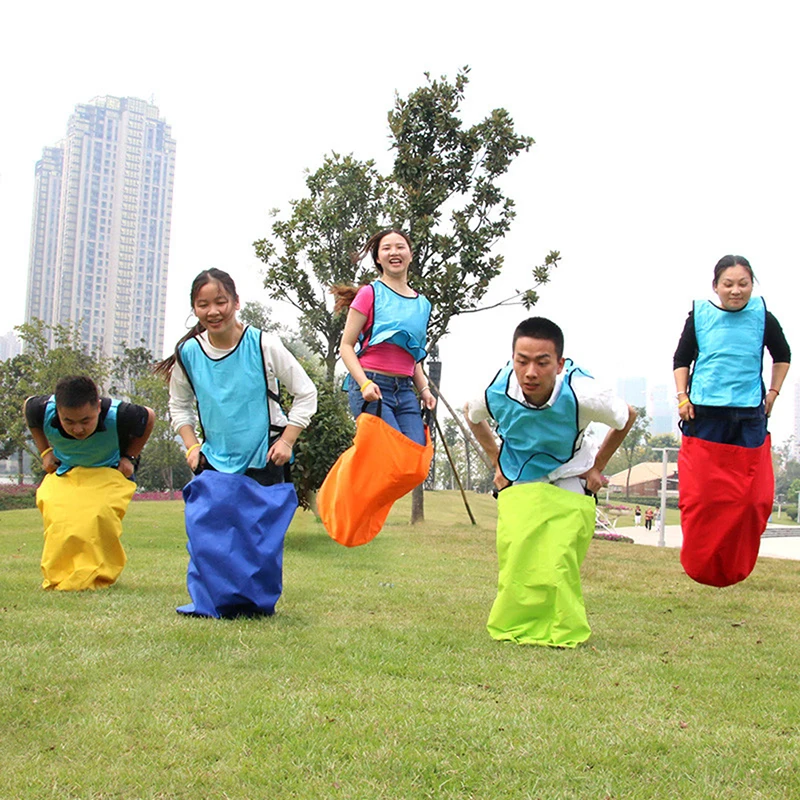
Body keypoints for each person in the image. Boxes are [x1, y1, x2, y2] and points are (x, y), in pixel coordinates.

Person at [466, 317, 636, 648]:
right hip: (522, 473)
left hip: (570, 471)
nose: (530, 372)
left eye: (542, 362)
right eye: (522, 361)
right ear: (512, 359)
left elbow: (627, 414)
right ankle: (516, 624)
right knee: (518, 551)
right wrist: (497, 462)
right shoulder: (495, 392)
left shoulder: (584, 394)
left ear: (559, 364)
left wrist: (597, 468)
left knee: (560, 555)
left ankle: (561, 628)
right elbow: (471, 415)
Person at [156, 268, 317, 617]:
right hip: (214, 459)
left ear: (236, 302)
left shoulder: (263, 344)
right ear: (194, 309)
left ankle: (254, 605)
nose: (213, 311)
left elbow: (306, 393)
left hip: (265, 455)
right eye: (203, 305)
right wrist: (191, 446)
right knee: (208, 534)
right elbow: (179, 406)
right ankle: (211, 602)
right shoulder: (188, 353)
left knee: (258, 539)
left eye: (220, 302)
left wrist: (288, 440)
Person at [673, 254, 790, 586]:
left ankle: (735, 564)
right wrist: (682, 397)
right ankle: (700, 562)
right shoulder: (699, 316)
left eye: (743, 284)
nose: (736, 290)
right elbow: (681, 359)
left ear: (752, 285)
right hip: (704, 416)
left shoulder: (763, 317)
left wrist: (773, 393)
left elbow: (783, 355)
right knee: (703, 498)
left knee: (752, 500)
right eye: (728, 284)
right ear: (715, 286)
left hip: (749, 416)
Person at [24, 375, 155, 590]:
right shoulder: (41, 408)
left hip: (107, 472)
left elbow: (149, 416)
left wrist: (130, 457)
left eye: (85, 421)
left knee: (97, 517)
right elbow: (28, 409)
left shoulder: (122, 414)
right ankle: (61, 574)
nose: (78, 429)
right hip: (67, 471)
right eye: (68, 421)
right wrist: (45, 452)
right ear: (58, 410)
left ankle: (97, 575)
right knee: (57, 516)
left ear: (98, 407)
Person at [333, 229, 436, 444]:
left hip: (405, 390)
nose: (394, 252)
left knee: (414, 455)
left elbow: (413, 355)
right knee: (389, 454)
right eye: (386, 248)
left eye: (400, 247)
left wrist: (424, 390)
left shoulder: (423, 304)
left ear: (410, 255)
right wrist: (364, 384)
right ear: (378, 258)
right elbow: (346, 346)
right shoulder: (369, 293)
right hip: (372, 385)